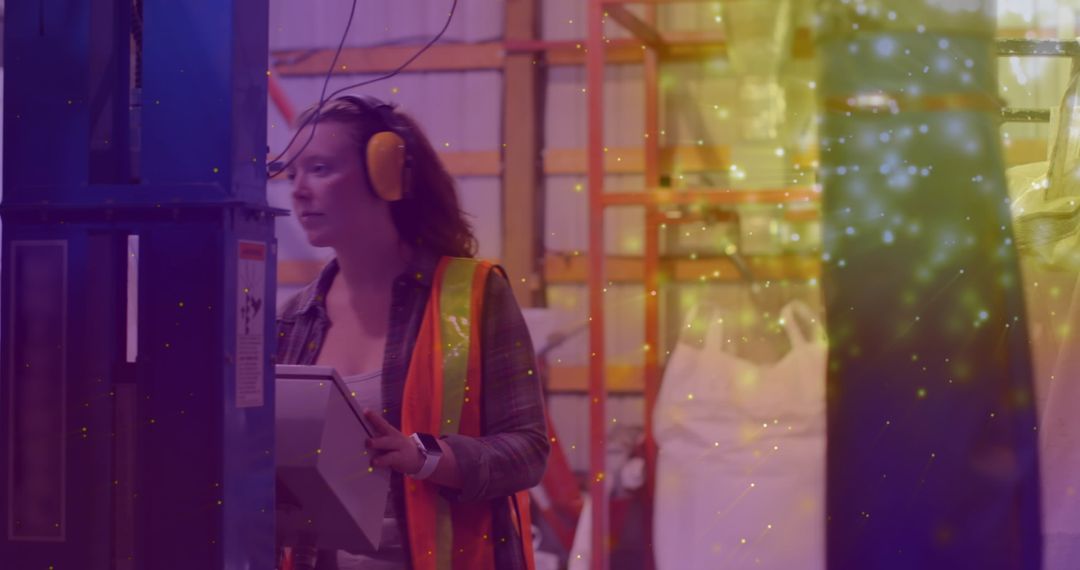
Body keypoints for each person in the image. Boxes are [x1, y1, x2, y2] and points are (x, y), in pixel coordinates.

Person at [275, 95, 549, 570]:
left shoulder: (473, 296)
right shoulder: (294, 318)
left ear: (385, 173)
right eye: (292, 172)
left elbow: (527, 451)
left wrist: (423, 456)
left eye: (319, 169)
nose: (298, 190)